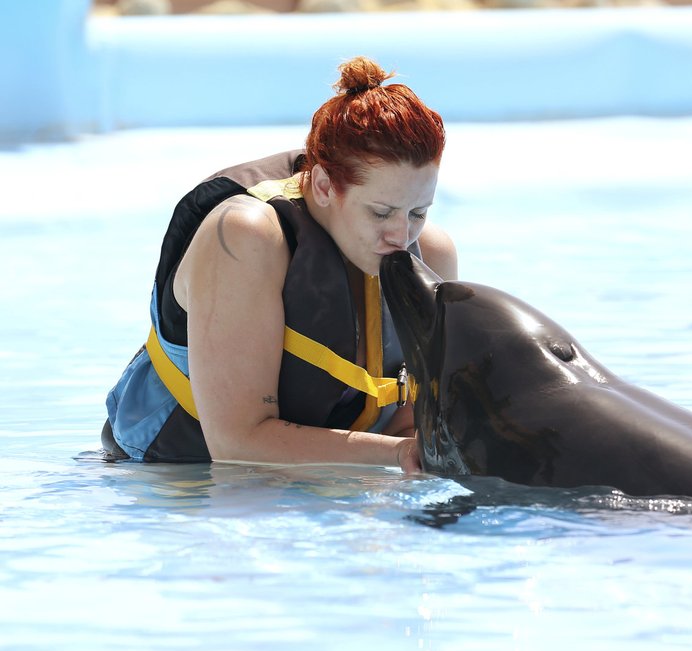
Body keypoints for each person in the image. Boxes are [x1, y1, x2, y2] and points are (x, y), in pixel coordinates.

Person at [101, 56, 457, 473]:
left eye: (418, 212)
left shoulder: (431, 254)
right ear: (323, 186)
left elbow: (409, 421)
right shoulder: (245, 237)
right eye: (381, 213)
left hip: (326, 478)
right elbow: (236, 444)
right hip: (174, 477)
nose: (401, 236)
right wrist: (394, 455)